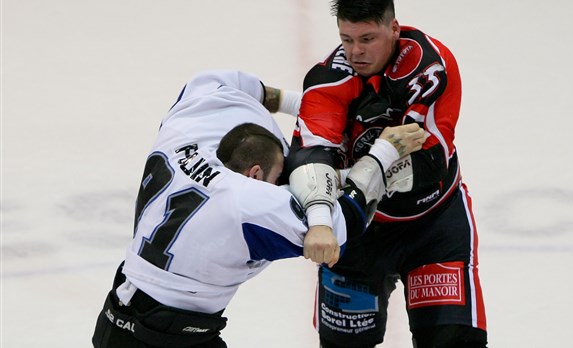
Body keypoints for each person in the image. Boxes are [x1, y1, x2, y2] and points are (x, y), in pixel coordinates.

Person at [91, 69, 426, 348]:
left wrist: (306, 105)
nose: (283, 187)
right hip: (166, 337)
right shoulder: (253, 205)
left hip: (118, 316)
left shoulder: (186, 128)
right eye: (280, 178)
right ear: (254, 173)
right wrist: (382, 155)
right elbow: (344, 222)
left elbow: (216, 80)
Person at [285, 0, 488, 347]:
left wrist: (350, 174)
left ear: (394, 29)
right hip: (358, 232)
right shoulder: (328, 79)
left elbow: (429, 163)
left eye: (367, 38)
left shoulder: (427, 66)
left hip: (433, 227)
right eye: (346, 39)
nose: (356, 52)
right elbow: (309, 163)